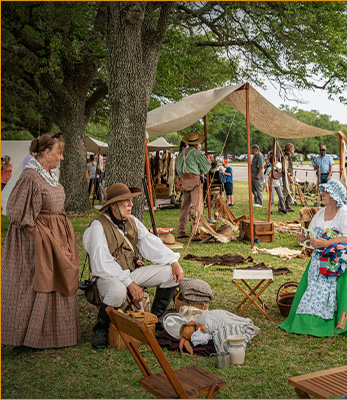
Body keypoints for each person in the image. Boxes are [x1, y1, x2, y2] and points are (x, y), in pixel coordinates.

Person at [1, 133, 80, 349]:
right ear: (46, 152)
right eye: (59, 153)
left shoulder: (47, 174)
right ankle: (28, 338)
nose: (61, 158)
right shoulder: (30, 177)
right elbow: (16, 213)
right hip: (34, 242)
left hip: (53, 237)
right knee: (38, 283)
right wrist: (42, 235)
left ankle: (51, 334)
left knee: (56, 279)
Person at [280, 179, 347, 337]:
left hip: (343, 255)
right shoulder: (320, 213)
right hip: (322, 255)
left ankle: (340, 314)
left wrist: (326, 243)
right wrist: (304, 239)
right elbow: (313, 238)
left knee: (340, 269)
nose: (322, 194)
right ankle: (312, 316)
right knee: (317, 275)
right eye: (323, 191)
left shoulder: (345, 213)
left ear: (336, 196)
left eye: (327, 192)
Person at [84, 183, 185, 349]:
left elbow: (152, 245)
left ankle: (155, 320)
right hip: (106, 277)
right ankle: (100, 330)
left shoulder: (132, 222)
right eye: (126, 201)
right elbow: (101, 264)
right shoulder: (98, 227)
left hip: (129, 274)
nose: (131, 204)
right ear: (114, 205)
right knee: (118, 291)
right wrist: (129, 284)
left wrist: (174, 262)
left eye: (131, 200)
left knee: (170, 273)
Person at [175, 132, 211, 239]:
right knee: (197, 207)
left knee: (184, 207)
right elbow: (206, 168)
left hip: (186, 181)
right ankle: (195, 233)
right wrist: (207, 161)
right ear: (196, 144)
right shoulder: (197, 153)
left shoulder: (182, 153)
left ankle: (181, 231)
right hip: (195, 181)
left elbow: (178, 169)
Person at [282, 143, 297, 208]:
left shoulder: (289, 157)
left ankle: (288, 206)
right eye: (293, 148)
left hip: (289, 176)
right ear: (290, 149)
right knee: (285, 192)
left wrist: (292, 178)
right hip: (286, 177)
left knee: (290, 192)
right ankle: (281, 207)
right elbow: (284, 169)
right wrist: (289, 178)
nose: (294, 149)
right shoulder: (286, 157)